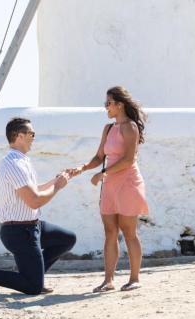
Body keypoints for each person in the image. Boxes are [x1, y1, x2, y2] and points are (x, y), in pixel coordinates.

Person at [0, 117, 77, 295]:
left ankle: (34, 275)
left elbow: (33, 190)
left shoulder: (23, 161)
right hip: (18, 232)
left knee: (67, 239)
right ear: (19, 136)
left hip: (33, 226)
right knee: (32, 288)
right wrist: (57, 187)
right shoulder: (13, 163)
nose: (34, 137)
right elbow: (34, 200)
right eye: (31, 134)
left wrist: (57, 180)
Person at [67, 86, 149, 292]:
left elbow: (128, 159)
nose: (106, 107)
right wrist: (82, 168)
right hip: (110, 184)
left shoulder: (130, 127)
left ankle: (134, 278)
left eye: (108, 103)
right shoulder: (108, 128)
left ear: (119, 104)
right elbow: (99, 157)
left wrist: (103, 173)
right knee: (109, 231)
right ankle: (108, 280)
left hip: (128, 182)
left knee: (129, 231)